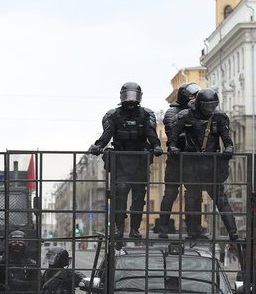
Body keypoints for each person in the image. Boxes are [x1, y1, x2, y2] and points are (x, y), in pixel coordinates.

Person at [89, 82, 163, 240]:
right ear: (122, 96)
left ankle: (135, 229)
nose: (130, 100)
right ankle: (119, 229)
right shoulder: (113, 115)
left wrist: (157, 146)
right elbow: (107, 134)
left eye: (133, 96)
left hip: (140, 161)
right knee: (120, 193)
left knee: (138, 195)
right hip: (121, 161)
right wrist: (98, 146)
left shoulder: (146, 114)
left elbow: (151, 134)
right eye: (128, 96)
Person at [170, 88, 238, 241]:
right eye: (207, 106)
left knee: (220, 198)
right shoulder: (186, 115)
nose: (210, 109)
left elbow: (226, 138)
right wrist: (173, 147)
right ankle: (193, 231)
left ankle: (232, 232)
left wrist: (229, 148)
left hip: (211, 165)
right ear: (199, 104)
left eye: (212, 105)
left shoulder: (219, 117)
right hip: (192, 166)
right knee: (192, 198)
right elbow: (173, 135)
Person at [155, 82, 200, 237]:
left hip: (193, 160)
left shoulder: (198, 112)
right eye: (192, 96)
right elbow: (172, 131)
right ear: (185, 97)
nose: (194, 99)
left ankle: (194, 229)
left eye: (196, 96)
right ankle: (163, 228)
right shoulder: (171, 112)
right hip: (176, 158)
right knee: (170, 193)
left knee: (194, 194)